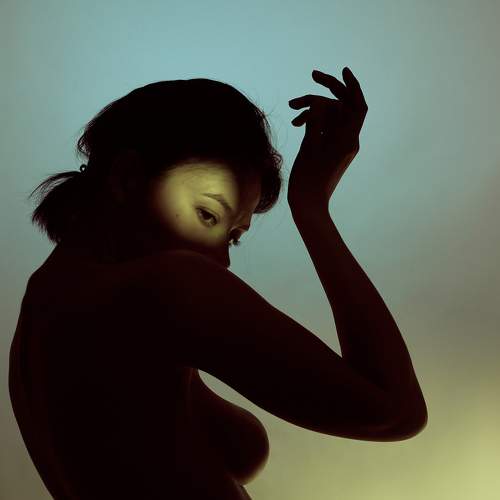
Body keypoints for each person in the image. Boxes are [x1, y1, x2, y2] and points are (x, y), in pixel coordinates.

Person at [8, 69, 427, 500]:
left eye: (233, 236)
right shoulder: (162, 288)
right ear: (128, 177)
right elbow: (396, 411)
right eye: (208, 214)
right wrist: (312, 208)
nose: (223, 261)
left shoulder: (45, 304)